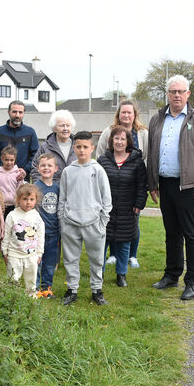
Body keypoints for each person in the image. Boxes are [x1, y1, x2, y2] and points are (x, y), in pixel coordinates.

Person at [146, 75, 194, 301]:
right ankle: (172, 275)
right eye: (173, 91)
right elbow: (152, 152)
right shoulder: (158, 119)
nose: (176, 95)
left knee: (191, 234)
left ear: (188, 94)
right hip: (165, 184)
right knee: (171, 233)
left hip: (188, 186)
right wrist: (152, 184)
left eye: (180, 91)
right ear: (167, 94)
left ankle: (192, 281)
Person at [58, 131, 112, 306]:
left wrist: (102, 222)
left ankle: (97, 290)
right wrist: (62, 220)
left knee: (97, 259)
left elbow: (106, 199)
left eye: (85, 147)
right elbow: (62, 198)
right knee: (70, 259)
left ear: (92, 148)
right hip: (70, 223)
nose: (82, 150)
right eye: (78, 146)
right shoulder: (68, 171)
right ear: (74, 148)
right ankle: (72, 289)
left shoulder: (98, 170)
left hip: (93, 223)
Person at [96, 99, 149, 269]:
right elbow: (100, 154)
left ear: (135, 115)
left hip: (131, 183)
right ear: (118, 114)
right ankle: (113, 254)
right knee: (110, 222)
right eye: (123, 112)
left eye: (129, 112)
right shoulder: (108, 131)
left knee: (132, 223)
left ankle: (132, 255)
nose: (126, 115)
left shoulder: (142, 133)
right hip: (111, 183)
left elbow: (146, 156)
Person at [2, 183, 45, 297]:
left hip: (31, 255)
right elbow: (6, 234)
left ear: (36, 200)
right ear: (18, 200)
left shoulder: (36, 216)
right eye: (25, 199)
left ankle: (31, 298)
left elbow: (40, 235)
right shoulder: (12, 215)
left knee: (31, 280)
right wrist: (5, 251)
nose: (28, 202)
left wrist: (40, 253)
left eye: (31, 199)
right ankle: (12, 298)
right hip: (14, 254)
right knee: (13, 279)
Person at [33, 153, 60, 298]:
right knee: (37, 261)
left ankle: (47, 288)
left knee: (50, 262)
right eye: (43, 165)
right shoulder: (35, 187)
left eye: (49, 165)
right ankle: (35, 288)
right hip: (38, 233)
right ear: (38, 168)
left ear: (56, 168)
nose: (46, 168)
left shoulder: (58, 188)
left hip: (54, 231)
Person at [0, 100, 38, 181]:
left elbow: (36, 155)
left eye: (20, 112)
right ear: (8, 112)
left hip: (22, 179)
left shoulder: (30, 132)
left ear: (24, 113)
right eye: (14, 112)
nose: (17, 115)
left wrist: (26, 170)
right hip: (2, 179)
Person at [30, 109, 77, 183]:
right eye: (61, 125)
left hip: (74, 188)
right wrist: (42, 187)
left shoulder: (78, 146)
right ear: (54, 128)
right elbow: (35, 169)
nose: (65, 128)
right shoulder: (45, 147)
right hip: (52, 189)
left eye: (68, 125)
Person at [0, 146, 22, 217]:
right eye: (6, 160)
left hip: (14, 206)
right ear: (2, 159)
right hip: (1, 205)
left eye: (12, 160)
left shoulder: (18, 173)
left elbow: (20, 189)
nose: (9, 162)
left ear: (15, 159)